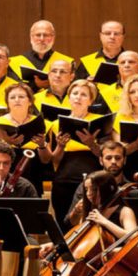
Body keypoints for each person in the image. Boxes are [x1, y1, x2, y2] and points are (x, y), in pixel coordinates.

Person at [45, 80, 106, 225]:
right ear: (69, 97)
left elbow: (104, 155)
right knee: (64, 221)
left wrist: (91, 144)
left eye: (84, 95)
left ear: (91, 100)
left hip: (92, 180)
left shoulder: (99, 121)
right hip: (64, 180)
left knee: (89, 220)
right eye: (75, 93)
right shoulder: (56, 124)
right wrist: (60, 146)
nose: (78, 97)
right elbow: (55, 160)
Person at [0, 83, 48, 195]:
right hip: (2, 175)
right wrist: (6, 142)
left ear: (30, 101)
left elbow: (46, 160)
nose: (17, 100)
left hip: (33, 174)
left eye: (21, 97)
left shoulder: (40, 123)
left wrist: (42, 144)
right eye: (12, 97)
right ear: (7, 102)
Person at [9, 20, 73, 91]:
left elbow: (73, 88)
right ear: (31, 37)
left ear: (53, 38)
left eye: (46, 35)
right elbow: (12, 89)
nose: (42, 39)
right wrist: (35, 85)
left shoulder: (67, 62)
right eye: (38, 35)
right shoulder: (14, 62)